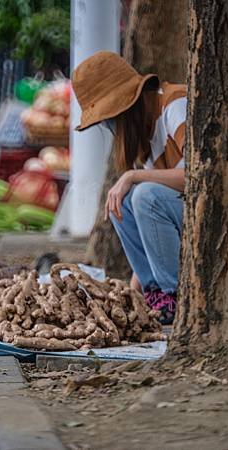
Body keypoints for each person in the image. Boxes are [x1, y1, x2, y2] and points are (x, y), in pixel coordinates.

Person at [72, 51, 186, 324]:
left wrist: (132, 177)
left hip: (207, 216)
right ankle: (156, 294)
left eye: (109, 119)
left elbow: (197, 176)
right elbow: (152, 235)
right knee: (122, 202)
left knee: (142, 193)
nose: (110, 128)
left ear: (127, 106)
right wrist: (128, 294)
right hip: (178, 217)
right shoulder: (144, 140)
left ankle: (174, 295)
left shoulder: (175, 104)